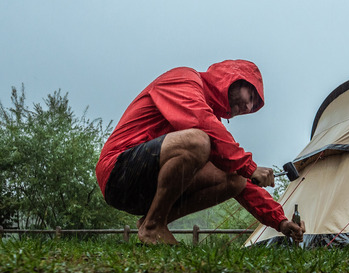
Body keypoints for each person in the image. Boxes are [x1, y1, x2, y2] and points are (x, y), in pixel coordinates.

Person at [95, 60, 305, 245]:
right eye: (250, 96)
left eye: (253, 107)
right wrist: (250, 167)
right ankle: (153, 226)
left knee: (235, 179)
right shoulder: (184, 79)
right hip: (119, 173)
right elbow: (200, 121)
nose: (248, 107)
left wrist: (281, 221)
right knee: (199, 140)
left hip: (148, 189)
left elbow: (240, 175)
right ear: (233, 78)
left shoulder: (213, 124)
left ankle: (153, 222)